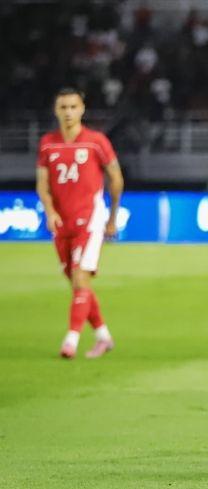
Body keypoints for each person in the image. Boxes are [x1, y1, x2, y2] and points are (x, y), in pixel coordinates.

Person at [36, 87, 125, 359]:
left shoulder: (96, 141)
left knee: (79, 277)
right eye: (63, 107)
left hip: (90, 220)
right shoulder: (48, 144)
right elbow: (43, 185)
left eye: (73, 107)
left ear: (82, 109)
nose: (68, 113)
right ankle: (103, 337)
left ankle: (70, 341)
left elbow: (116, 179)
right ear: (56, 111)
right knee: (77, 284)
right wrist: (50, 211)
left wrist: (111, 218)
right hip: (62, 224)